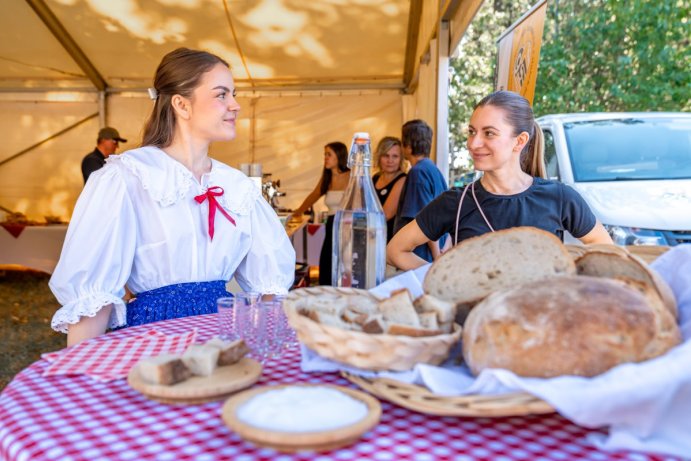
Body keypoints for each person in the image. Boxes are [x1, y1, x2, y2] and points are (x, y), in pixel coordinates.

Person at [49, 48, 296, 346]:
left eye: (233, 94)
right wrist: (80, 377)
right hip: (154, 339)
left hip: (225, 337)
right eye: (221, 94)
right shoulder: (128, 177)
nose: (235, 105)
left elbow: (270, 288)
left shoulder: (236, 187)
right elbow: (92, 298)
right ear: (181, 104)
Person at [387, 90, 613, 270]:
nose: (473, 144)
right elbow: (396, 250)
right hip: (477, 324)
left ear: (519, 141)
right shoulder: (456, 202)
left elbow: (605, 249)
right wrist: (442, 281)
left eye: (489, 133)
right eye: (471, 131)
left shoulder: (559, 197)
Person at [290, 142, 350, 285]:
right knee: (326, 262)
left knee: (343, 263)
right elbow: (313, 196)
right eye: (325, 154)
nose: (325, 158)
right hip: (331, 224)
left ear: (339, 155)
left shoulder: (351, 175)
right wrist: (296, 213)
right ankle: (327, 293)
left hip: (346, 225)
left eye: (329, 154)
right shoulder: (327, 178)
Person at [392, 119, 448, 263]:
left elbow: (427, 220)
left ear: (408, 147)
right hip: (433, 253)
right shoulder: (434, 170)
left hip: (420, 257)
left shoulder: (417, 173)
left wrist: (437, 258)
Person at [372, 136, 407, 242]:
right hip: (372, 234)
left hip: (389, 238)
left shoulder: (403, 179)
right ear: (379, 157)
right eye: (386, 156)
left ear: (401, 159)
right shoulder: (375, 178)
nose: (390, 160)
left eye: (395, 156)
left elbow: (385, 215)